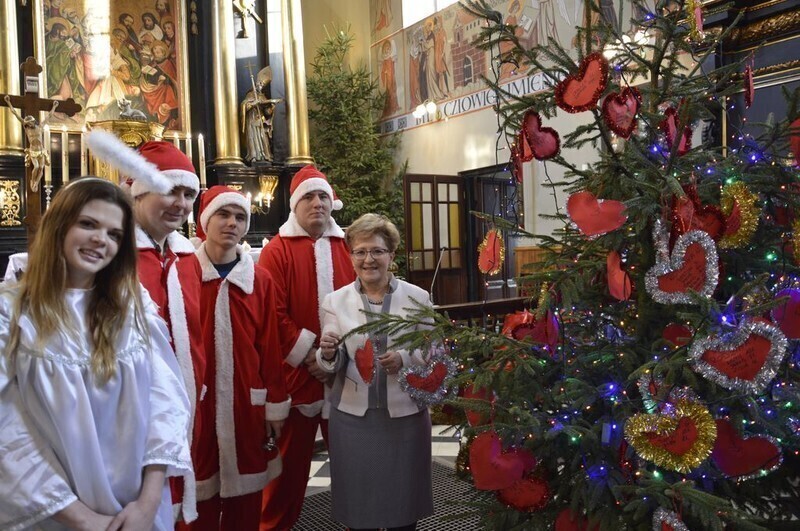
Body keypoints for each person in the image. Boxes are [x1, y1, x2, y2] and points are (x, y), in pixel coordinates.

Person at [0, 178, 192, 530]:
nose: (101, 239)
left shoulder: (134, 305)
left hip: (136, 512)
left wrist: (148, 503)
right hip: (50, 513)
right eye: (87, 224)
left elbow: (164, 403)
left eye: (114, 234)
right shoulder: (10, 312)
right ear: (59, 226)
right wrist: (82, 519)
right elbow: (7, 432)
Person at [86, 130, 207, 523]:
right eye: (171, 191)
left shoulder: (186, 258)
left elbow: (196, 336)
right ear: (137, 192)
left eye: (189, 195)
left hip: (184, 406)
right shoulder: (112, 256)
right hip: (128, 415)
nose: (181, 204)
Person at [317, 213, 434, 531]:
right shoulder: (334, 301)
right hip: (353, 422)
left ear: (391, 255)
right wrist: (327, 352)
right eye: (360, 251)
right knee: (359, 511)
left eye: (377, 251)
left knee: (402, 510)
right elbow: (332, 361)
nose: (368, 259)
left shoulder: (418, 298)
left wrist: (406, 358)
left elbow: (434, 351)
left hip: (406, 417)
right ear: (351, 255)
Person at [258, 165, 356, 530]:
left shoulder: (348, 247)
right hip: (296, 377)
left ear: (333, 203)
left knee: (353, 468)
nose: (317, 204)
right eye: (309, 197)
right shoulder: (276, 252)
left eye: (323, 197)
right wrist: (314, 356)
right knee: (285, 474)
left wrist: (334, 357)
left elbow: (358, 308)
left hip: (346, 377)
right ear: (295, 205)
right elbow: (274, 315)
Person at [190, 186, 291, 530]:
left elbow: (270, 348)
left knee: (246, 501)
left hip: (247, 404)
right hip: (197, 405)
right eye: (223, 214)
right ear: (205, 220)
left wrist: (275, 403)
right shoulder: (184, 274)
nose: (232, 223)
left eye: (240, 216)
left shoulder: (259, 280)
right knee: (198, 497)